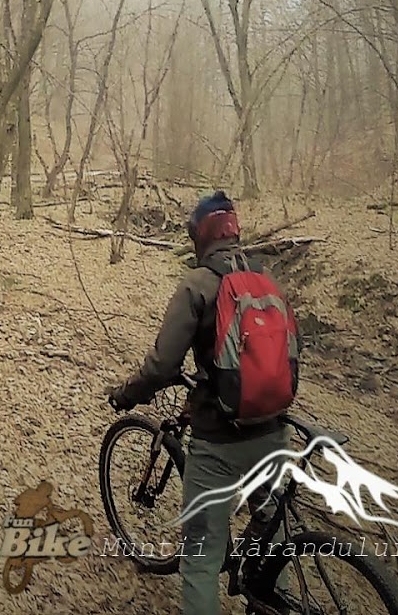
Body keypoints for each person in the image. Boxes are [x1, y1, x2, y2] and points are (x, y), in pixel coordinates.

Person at [107, 191, 290, 615]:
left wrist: (127, 394)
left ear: (200, 236)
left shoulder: (197, 284)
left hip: (219, 439)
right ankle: (268, 593)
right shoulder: (267, 279)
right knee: (270, 528)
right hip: (274, 427)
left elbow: (160, 366)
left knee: (201, 559)